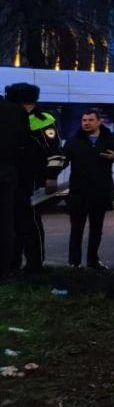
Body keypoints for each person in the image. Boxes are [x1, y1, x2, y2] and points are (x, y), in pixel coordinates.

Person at [5, 83, 58, 274]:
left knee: (30, 223)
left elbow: (54, 152)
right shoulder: (10, 119)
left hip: (33, 179)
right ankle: (12, 264)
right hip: (12, 178)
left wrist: (51, 177)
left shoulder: (43, 121)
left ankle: (35, 263)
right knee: (11, 223)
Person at [63, 109, 114, 269]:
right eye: (84, 120)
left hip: (100, 191)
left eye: (90, 120)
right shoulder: (74, 141)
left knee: (96, 229)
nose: (86, 123)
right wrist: (49, 176)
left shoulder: (110, 139)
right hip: (78, 192)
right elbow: (63, 160)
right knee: (76, 229)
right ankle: (74, 263)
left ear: (98, 122)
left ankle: (93, 260)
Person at [0, 93, 26, 281]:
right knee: (5, 222)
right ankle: (5, 270)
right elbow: (23, 144)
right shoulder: (16, 111)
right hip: (7, 172)